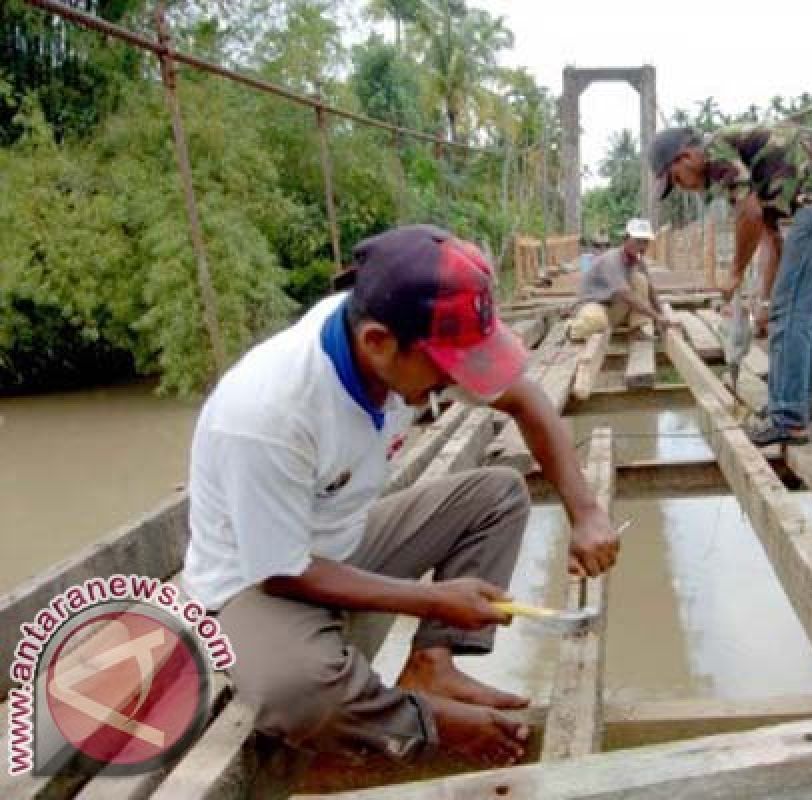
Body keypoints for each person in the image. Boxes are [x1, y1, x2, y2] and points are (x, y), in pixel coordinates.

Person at [182, 224, 619, 767]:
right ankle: (422, 720)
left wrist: (586, 511)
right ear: (377, 342)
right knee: (297, 692)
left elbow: (527, 401)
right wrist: (435, 598)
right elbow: (281, 570)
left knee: (498, 495)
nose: (457, 381)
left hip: (340, 540)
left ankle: (432, 666)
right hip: (255, 584)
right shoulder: (267, 413)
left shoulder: (394, 339)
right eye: (447, 368)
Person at [650, 121, 812, 446]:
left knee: (793, 314)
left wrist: (735, 273)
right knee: (804, 314)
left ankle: (789, 418)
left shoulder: (715, 152)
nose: (682, 188)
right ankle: (796, 406)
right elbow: (771, 239)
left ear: (685, 158)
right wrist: (765, 304)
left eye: (676, 180)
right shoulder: (753, 169)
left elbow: (748, 216)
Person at [568, 218, 670, 340]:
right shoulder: (612, 260)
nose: (642, 246)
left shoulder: (638, 261)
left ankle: (636, 329)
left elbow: (651, 290)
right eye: (638, 241)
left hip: (613, 306)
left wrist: (662, 316)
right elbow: (626, 295)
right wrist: (656, 317)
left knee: (641, 280)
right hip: (593, 304)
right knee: (596, 321)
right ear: (626, 239)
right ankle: (571, 328)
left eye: (645, 242)